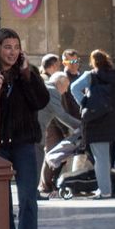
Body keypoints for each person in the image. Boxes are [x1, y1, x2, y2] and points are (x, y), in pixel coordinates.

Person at [0, 29, 49, 229]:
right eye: (7, 46)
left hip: (25, 143)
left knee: (28, 198)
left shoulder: (27, 73)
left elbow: (41, 101)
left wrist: (28, 75)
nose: (12, 52)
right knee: (1, 203)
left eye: (16, 46)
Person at [69, 50, 115, 198]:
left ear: (93, 62)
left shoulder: (90, 76)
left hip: (97, 119)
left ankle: (105, 191)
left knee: (101, 158)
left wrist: (85, 102)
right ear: (108, 60)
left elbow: (73, 88)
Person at [37, 54, 80, 197]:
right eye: (66, 87)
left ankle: (38, 190)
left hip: (38, 129)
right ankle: (39, 189)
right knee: (37, 159)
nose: (66, 91)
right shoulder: (53, 91)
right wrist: (81, 126)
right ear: (60, 84)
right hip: (38, 130)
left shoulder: (48, 87)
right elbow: (61, 116)